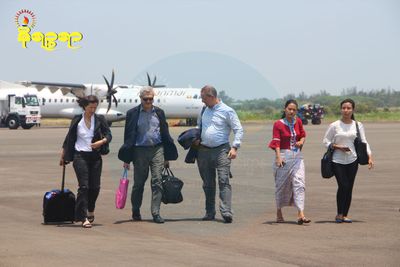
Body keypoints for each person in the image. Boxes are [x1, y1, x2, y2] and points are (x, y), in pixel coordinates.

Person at [120, 86, 178, 224]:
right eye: (146, 99)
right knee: (139, 183)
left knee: (157, 181)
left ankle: (156, 212)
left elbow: (165, 134)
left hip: (157, 149)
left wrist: (167, 157)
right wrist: (127, 158)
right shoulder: (132, 113)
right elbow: (128, 137)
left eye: (151, 99)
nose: (148, 102)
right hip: (139, 151)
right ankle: (135, 209)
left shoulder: (159, 112)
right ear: (140, 99)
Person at [59, 95, 112, 228]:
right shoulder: (77, 119)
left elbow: (109, 135)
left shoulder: (100, 119)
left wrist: (102, 141)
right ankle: (82, 217)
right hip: (79, 156)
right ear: (84, 106)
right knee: (84, 187)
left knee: (95, 187)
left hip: (95, 157)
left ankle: (91, 209)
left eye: (95, 107)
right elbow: (69, 138)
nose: (93, 110)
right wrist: (63, 155)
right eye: (90, 107)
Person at [194, 85, 243, 223]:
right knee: (208, 183)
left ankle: (226, 211)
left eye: (203, 98)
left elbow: (238, 129)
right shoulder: (203, 110)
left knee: (223, 180)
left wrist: (235, 147)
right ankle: (209, 212)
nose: (202, 101)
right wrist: (195, 138)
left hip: (222, 150)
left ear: (211, 96)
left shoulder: (227, 111)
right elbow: (199, 126)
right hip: (203, 151)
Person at [323, 98, 374, 223]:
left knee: (349, 187)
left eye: (348, 108)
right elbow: (325, 141)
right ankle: (339, 214)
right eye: (344, 108)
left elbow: (364, 141)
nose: (346, 110)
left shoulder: (358, 125)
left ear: (353, 110)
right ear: (341, 109)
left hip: (353, 160)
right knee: (343, 185)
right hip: (337, 160)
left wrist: (370, 156)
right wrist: (336, 146)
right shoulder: (334, 125)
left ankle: (345, 215)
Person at [268, 99, 310, 225]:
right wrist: (278, 157)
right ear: (285, 109)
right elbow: (276, 141)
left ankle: (301, 214)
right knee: (281, 186)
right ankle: (279, 212)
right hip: (283, 156)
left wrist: (301, 142)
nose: (291, 111)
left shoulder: (299, 122)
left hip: (297, 156)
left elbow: (302, 135)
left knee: (299, 183)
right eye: (289, 109)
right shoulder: (278, 124)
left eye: (294, 110)